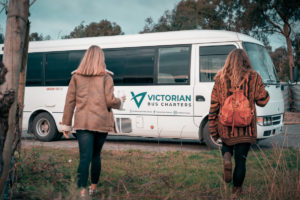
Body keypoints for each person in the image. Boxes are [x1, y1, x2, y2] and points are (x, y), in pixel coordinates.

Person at [61, 45, 125, 198]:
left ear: (86, 58)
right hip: (101, 122)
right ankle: (93, 189)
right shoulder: (106, 77)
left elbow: (70, 102)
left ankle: (81, 192)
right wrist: (120, 102)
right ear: (101, 58)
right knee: (96, 156)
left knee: (84, 157)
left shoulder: (76, 77)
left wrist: (66, 124)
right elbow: (110, 101)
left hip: (83, 122)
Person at [208, 49, 270, 195]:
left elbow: (214, 106)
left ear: (228, 60)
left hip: (225, 126)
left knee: (227, 147)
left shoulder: (220, 78)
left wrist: (213, 129)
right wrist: (263, 92)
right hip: (246, 128)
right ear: (246, 61)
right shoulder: (254, 77)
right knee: (241, 161)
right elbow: (263, 101)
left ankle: (227, 156)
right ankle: (236, 191)